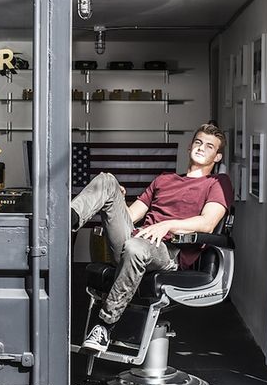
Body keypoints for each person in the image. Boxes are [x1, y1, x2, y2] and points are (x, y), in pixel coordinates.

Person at [71, 123, 234, 353]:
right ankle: (67, 223)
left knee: (136, 247)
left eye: (209, 146)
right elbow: (129, 216)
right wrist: (115, 199)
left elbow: (207, 222)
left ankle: (105, 326)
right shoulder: (164, 180)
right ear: (190, 147)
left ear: (216, 156)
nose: (201, 148)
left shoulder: (217, 183)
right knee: (107, 180)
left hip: (168, 251)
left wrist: (166, 225)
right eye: (198, 142)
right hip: (134, 242)